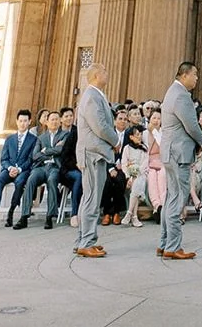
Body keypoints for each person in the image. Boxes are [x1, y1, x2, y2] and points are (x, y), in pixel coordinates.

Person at [159, 61, 202, 261]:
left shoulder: (171, 92)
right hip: (179, 153)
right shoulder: (182, 96)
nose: (197, 79)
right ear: (184, 74)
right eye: (195, 74)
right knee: (178, 199)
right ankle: (173, 246)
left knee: (170, 197)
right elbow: (191, 125)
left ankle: (164, 243)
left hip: (170, 151)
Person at [75, 65, 116, 259]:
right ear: (97, 75)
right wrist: (116, 141)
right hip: (93, 153)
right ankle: (86, 242)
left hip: (94, 152)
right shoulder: (92, 96)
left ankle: (83, 238)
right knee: (92, 198)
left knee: (89, 197)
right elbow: (100, 126)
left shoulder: (95, 95)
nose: (107, 74)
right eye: (105, 72)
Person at [0, 109, 37, 229]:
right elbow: (4, 159)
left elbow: (30, 159)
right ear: (17, 122)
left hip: (23, 171)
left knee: (19, 183)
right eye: (20, 121)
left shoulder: (33, 140)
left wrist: (18, 169)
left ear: (29, 122)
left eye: (25, 121)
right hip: (8, 169)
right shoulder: (9, 139)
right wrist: (9, 168)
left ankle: (11, 211)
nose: (23, 123)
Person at [18, 109, 66, 229]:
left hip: (55, 166)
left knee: (52, 180)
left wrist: (45, 151)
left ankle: (49, 216)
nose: (54, 122)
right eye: (52, 119)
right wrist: (53, 151)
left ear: (60, 122)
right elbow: (35, 155)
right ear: (47, 122)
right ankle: (24, 216)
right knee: (31, 180)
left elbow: (61, 150)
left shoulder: (65, 135)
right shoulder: (41, 137)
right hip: (41, 166)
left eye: (56, 119)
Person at [100, 107, 129, 225]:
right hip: (108, 165)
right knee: (107, 181)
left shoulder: (129, 134)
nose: (123, 121)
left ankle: (117, 212)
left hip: (124, 166)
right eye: (120, 119)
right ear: (115, 121)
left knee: (120, 180)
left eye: (125, 119)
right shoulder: (109, 134)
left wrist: (124, 164)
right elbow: (104, 151)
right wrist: (111, 167)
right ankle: (107, 212)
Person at [120, 126, 150, 227]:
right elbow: (124, 164)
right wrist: (128, 176)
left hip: (142, 174)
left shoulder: (144, 148)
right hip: (130, 175)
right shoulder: (127, 148)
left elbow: (144, 164)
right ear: (131, 137)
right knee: (135, 187)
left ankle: (129, 213)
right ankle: (134, 217)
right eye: (137, 135)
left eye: (141, 134)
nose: (140, 136)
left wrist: (135, 174)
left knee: (137, 182)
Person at [57, 106, 81, 226]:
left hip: (82, 167)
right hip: (68, 169)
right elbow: (65, 156)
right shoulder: (73, 134)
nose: (70, 118)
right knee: (79, 177)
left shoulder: (79, 130)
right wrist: (77, 165)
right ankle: (74, 213)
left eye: (71, 116)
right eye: (66, 116)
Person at [146, 108, 166, 221]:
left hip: (162, 162)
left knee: (162, 177)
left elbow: (162, 146)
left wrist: (155, 131)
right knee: (152, 177)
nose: (156, 120)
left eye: (159, 118)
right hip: (149, 163)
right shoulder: (143, 133)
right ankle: (157, 206)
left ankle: (163, 206)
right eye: (154, 118)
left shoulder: (164, 133)